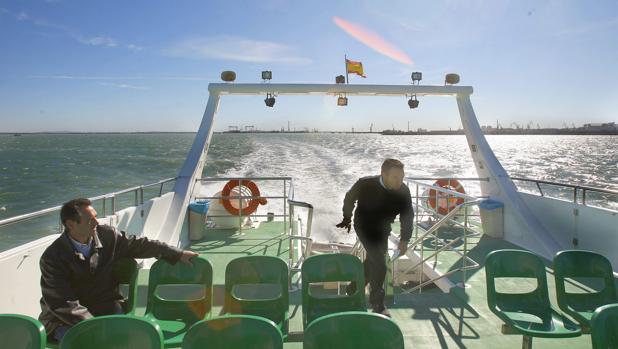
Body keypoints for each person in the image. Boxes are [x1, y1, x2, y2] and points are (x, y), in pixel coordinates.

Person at [38, 198, 199, 341]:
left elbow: (140, 245)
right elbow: (63, 304)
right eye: (89, 220)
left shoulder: (107, 235)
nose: (96, 222)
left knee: (129, 339)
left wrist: (177, 254)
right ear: (70, 225)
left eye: (96, 217)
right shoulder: (52, 258)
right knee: (90, 342)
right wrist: (94, 326)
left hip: (106, 308)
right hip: (65, 321)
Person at [336, 159, 414, 316]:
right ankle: (378, 304)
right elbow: (349, 197)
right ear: (383, 174)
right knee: (379, 263)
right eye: (395, 177)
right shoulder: (365, 184)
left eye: (402, 177)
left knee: (373, 261)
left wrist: (405, 239)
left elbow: (407, 215)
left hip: (383, 229)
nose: (399, 181)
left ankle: (352, 289)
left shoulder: (403, 191)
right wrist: (347, 217)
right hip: (364, 225)